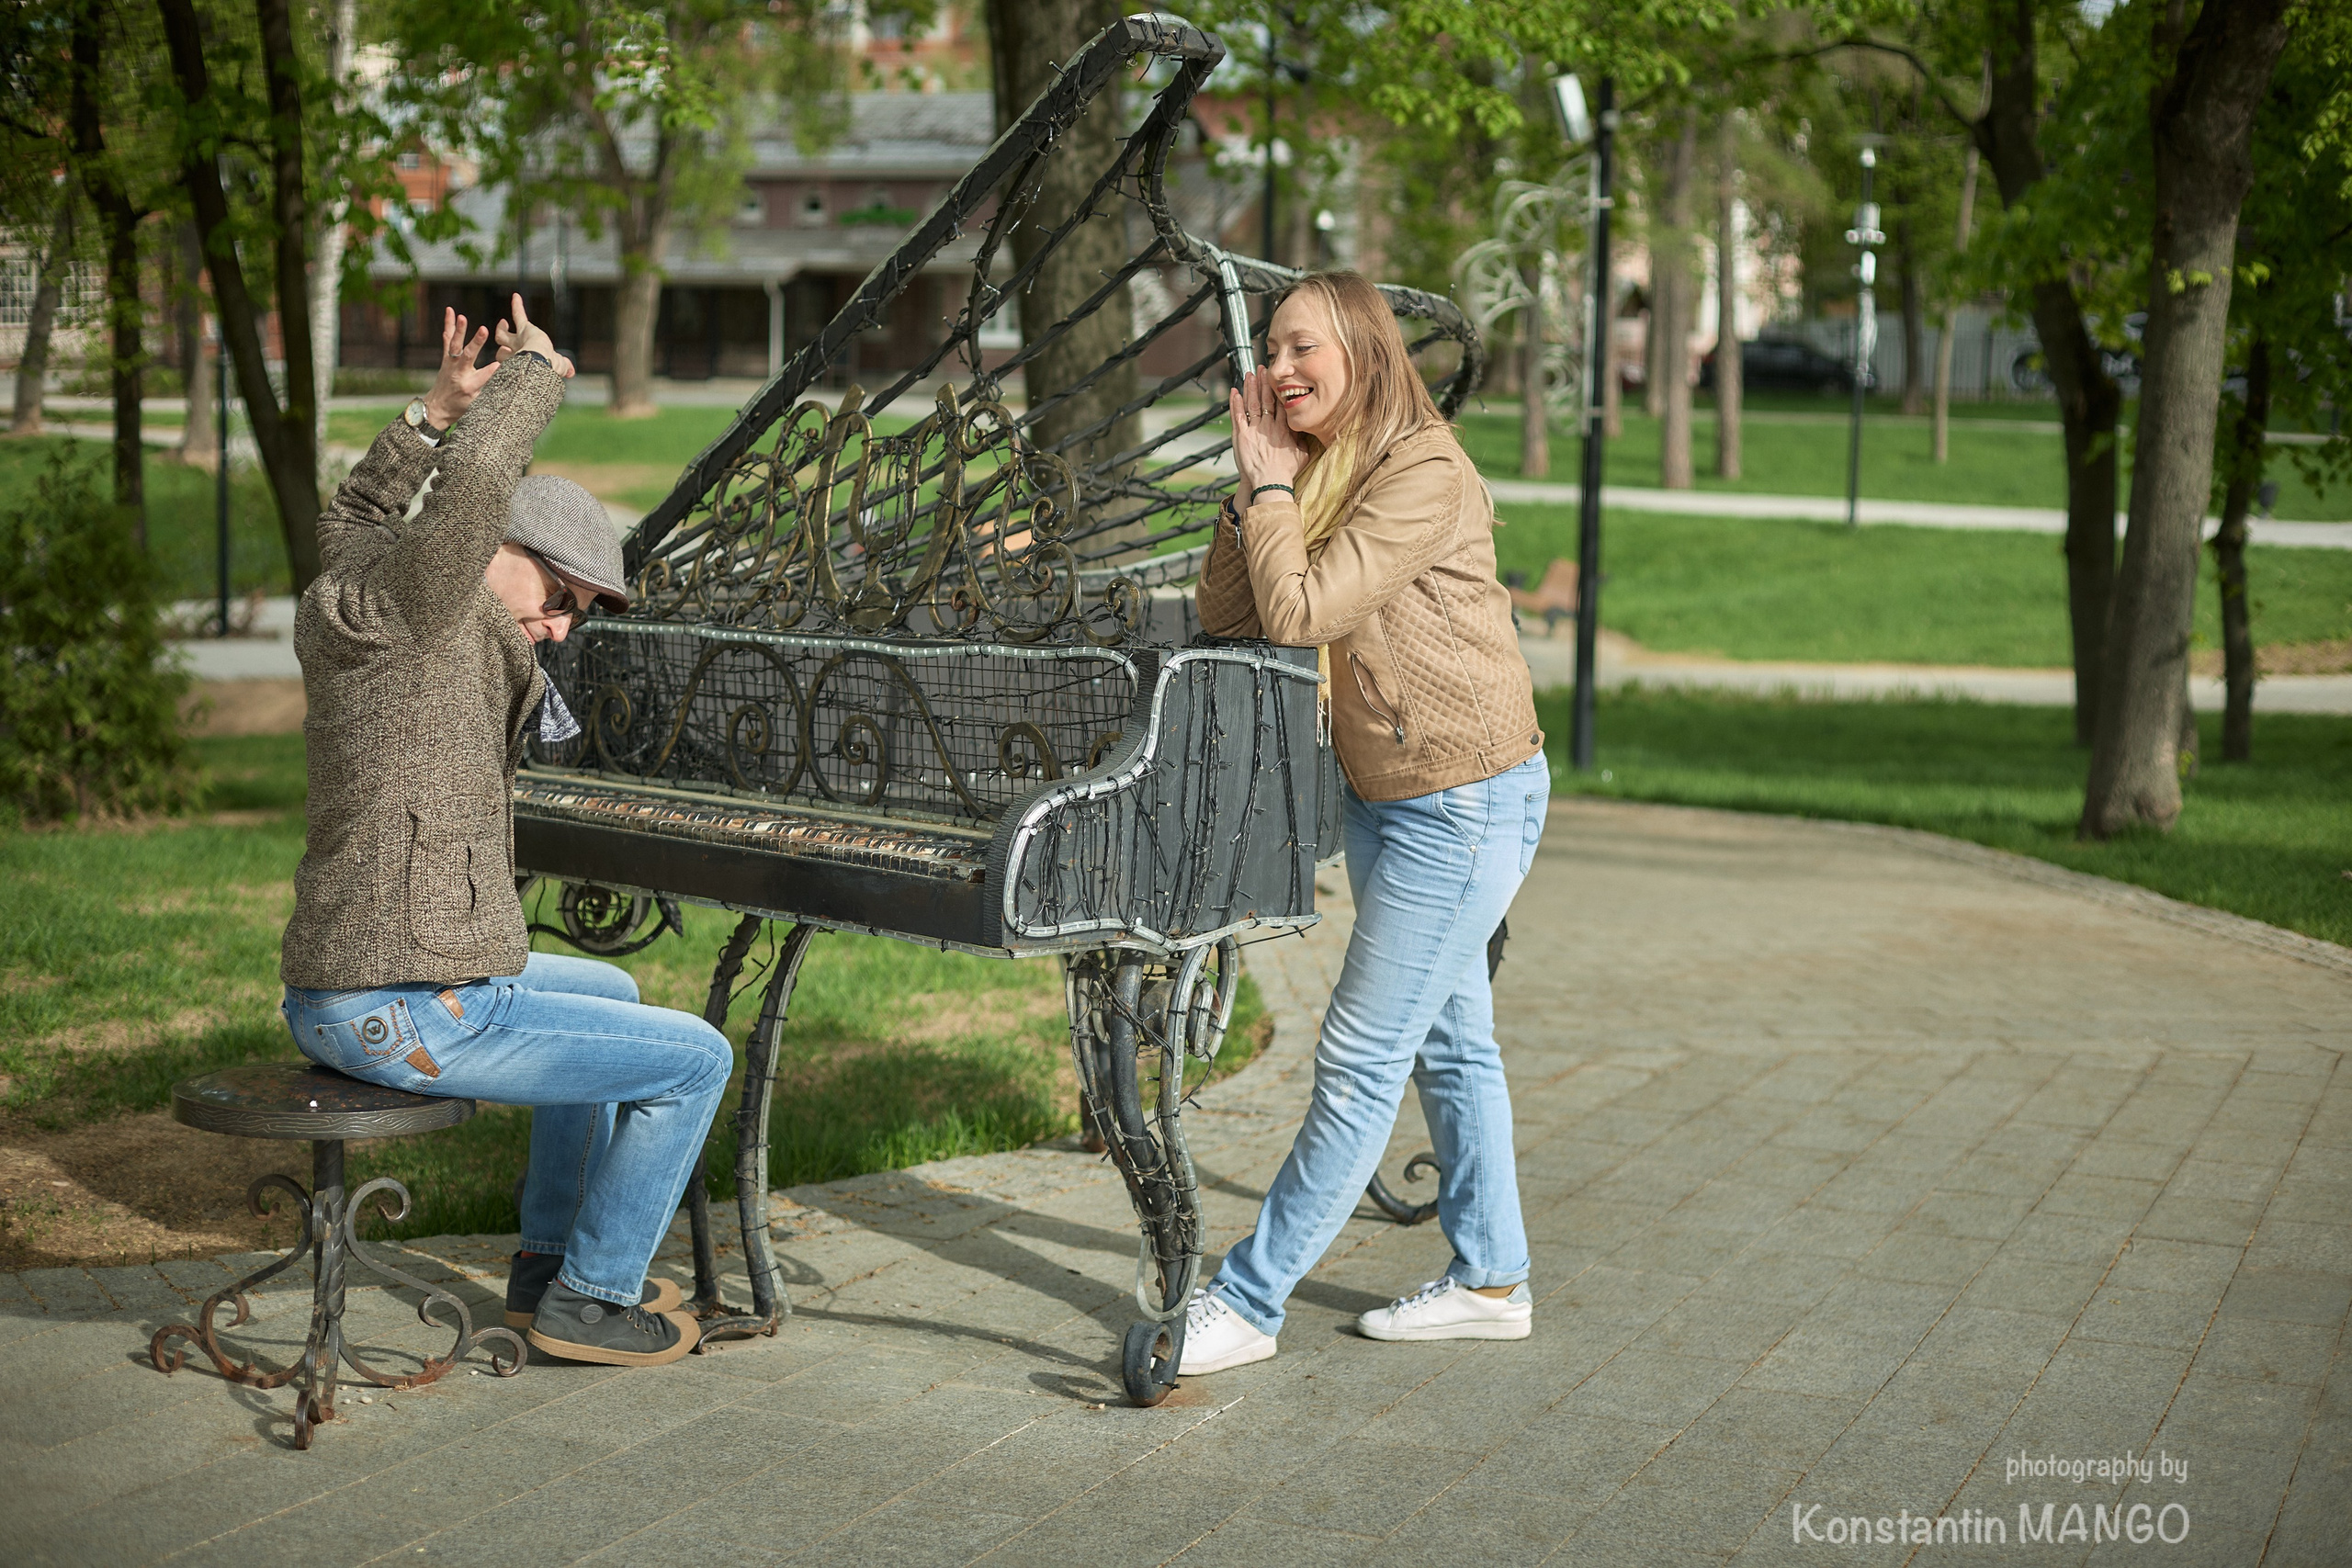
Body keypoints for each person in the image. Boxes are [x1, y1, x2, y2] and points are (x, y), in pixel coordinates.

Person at [277, 296, 729, 1369]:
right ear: (490, 549)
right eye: (565, 596)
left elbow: (357, 505)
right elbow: (475, 489)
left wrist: (435, 409)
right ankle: (593, 1296)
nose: (564, 628)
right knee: (695, 1060)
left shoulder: (358, 589)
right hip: (395, 1010)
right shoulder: (427, 606)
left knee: (614, 997)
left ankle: (546, 1264)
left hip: (369, 987)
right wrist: (537, 371)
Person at [1182, 270, 1551, 1373]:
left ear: (1363, 350)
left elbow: (1296, 614)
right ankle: (1490, 1281)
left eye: (1305, 349)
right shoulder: (1325, 468)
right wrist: (1254, 488)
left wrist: (1275, 495)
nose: (1282, 369)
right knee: (1450, 1042)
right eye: (1271, 352)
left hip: (1461, 800)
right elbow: (1226, 606)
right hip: (1393, 796)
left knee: (1357, 1056)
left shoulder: (1419, 468)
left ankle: (1248, 1302)